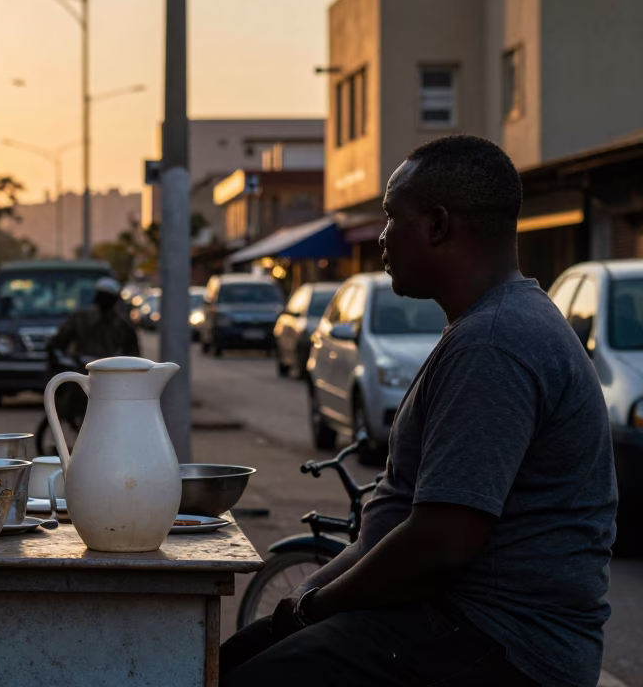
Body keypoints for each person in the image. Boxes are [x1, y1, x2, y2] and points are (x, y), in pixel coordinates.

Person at [220, 135, 617, 687]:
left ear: (436, 225)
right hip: (444, 619)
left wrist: (315, 608)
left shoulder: (495, 344)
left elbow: (439, 544)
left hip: (501, 643)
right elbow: (389, 524)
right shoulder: (482, 328)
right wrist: (304, 602)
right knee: (235, 657)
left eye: (390, 217)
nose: (381, 237)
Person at [47, 276, 140, 362]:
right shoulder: (80, 318)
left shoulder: (122, 324)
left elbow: (132, 354)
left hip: (106, 368)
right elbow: (59, 342)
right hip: (86, 366)